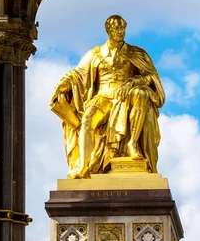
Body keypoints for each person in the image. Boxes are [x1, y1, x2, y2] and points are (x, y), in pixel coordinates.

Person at [50, 15, 165, 178]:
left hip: (127, 96)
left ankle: (132, 144)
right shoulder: (96, 54)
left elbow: (150, 77)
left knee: (141, 93)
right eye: (117, 29)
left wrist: (133, 81)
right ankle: (83, 166)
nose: (120, 32)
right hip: (103, 96)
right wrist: (60, 87)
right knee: (88, 119)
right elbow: (77, 75)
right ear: (108, 30)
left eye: (122, 28)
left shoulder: (136, 53)